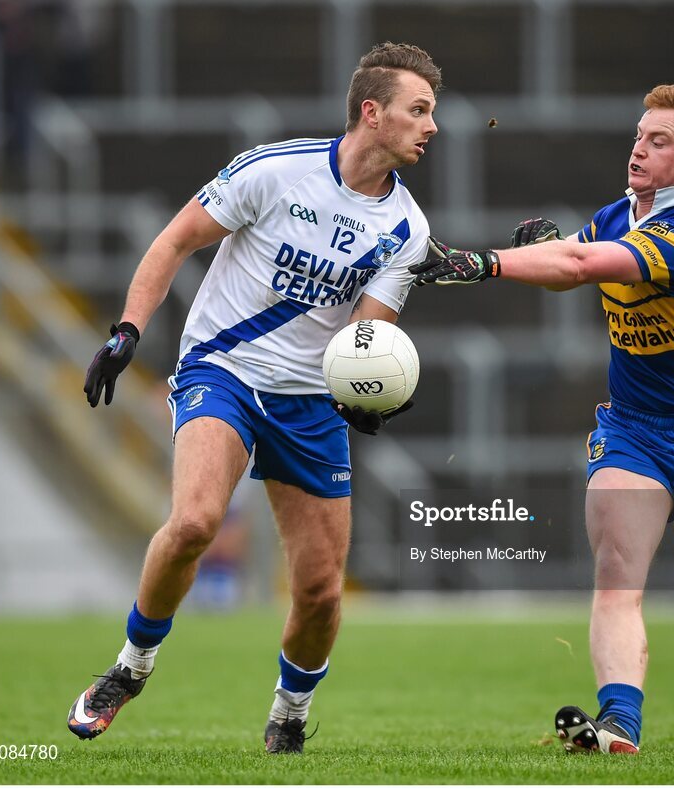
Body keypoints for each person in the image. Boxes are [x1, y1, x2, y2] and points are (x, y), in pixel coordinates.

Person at [68, 41, 441, 754]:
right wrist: (126, 332)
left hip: (309, 403)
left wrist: (368, 393)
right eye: (417, 110)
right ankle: (128, 668)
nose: (431, 126)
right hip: (225, 370)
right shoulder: (277, 170)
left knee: (321, 590)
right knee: (196, 522)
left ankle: (288, 718)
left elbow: (367, 338)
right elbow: (176, 240)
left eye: (432, 112)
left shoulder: (407, 229)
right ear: (373, 111)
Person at [410, 84, 674, 754]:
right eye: (640, 134)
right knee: (616, 577)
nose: (639, 147)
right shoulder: (619, 215)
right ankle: (619, 725)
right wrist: (534, 254)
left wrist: (482, 262)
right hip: (632, 431)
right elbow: (567, 265)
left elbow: (580, 264)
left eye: (659, 140)